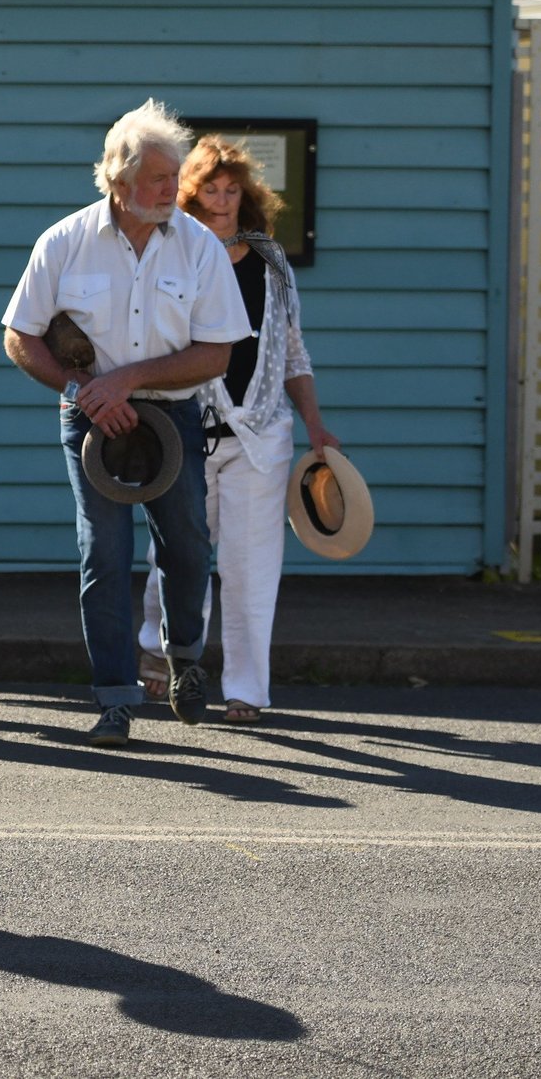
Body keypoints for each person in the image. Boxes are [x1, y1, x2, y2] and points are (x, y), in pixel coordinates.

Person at [0, 100, 248, 747]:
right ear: (118, 179)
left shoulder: (199, 248)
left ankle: (184, 658)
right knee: (102, 555)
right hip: (89, 420)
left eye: (174, 176)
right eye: (159, 179)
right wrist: (86, 390)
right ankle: (115, 696)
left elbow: (217, 351)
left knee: (187, 542)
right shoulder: (65, 241)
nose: (172, 190)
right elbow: (20, 335)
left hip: (172, 414)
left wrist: (129, 380)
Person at [136, 137, 339, 725]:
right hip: (186, 430)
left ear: (246, 196)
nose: (222, 201)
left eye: (232, 191)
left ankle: (246, 691)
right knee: (178, 554)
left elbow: (292, 348)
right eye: (210, 190)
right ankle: (160, 652)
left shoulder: (271, 259)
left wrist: (315, 424)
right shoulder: (176, 251)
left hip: (262, 435)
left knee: (252, 568)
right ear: (190, 194)